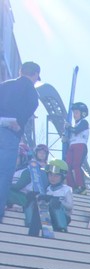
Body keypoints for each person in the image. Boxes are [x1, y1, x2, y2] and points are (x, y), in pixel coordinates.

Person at [0, 61, 41, 223]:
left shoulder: (4, 85)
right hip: (10, 134)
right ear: (35, 74)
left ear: (20, 70)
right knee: (4, 174)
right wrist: (18, 121)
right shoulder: (31, 92)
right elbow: (30, 108)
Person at [64, 101, 89, 193]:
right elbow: (71, 136)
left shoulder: (84, 122)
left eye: (77, 112)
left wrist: (69, 127)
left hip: (80, 145)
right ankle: (72, 186)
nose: (75, 115)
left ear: (83, 114)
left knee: (76, 165)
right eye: (74, 112)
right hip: (72, 146)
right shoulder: (75, 124)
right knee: (67, 166)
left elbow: (76, 130)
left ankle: (81, 186)